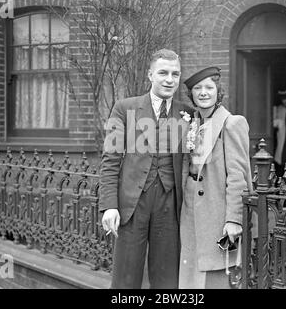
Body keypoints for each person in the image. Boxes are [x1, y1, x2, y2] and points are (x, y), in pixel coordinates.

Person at [99, 49, 193, 289]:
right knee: (126, 278)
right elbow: (110, 160)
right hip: (133, 203)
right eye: (163, 73)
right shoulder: (123, 108)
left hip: (169, 203)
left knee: (167, 278)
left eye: (175, 74)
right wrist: (110, 205)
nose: (169, 79)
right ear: (150, 75)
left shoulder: (188, 114)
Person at [179, 67, 253, 289]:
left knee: (217, 274)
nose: (203, 93)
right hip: (190, 209)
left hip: (216, 212)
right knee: (192, 271)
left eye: (209, 88)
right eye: (197, 89)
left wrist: (233, 219)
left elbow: (238, 176)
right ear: (191, 94)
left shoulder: (231, 123)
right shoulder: (193, 123)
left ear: (218, 92)